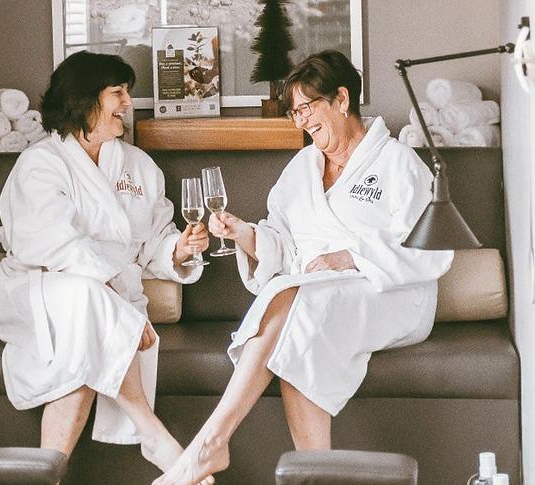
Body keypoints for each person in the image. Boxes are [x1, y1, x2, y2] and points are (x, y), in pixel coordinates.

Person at [153, 50, 454, 485]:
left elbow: (431, 249)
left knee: (299, 300)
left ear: (342, 100)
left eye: (306, 108)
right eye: (295, 112)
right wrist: (246, 235)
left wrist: (351, 257)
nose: (300, 121)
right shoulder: (302, 168)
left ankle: (209, 445)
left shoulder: (397, 163)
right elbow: (282, 242)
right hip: (318, 294)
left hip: (390, 295)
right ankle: (313, 472)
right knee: (303, 316)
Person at [0, 51, 213, 481]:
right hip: (39, 291)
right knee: (88, 301)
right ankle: (152, 432)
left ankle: (45, 477)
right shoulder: (41, 164)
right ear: (84, 101)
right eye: (117, 93)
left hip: (102, 299)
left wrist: (178, 250)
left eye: (128, 92)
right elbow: (54, 245)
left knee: (84, 341)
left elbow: (151, 245)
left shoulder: (139, 166)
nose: (128, 102)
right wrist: (115, 302)